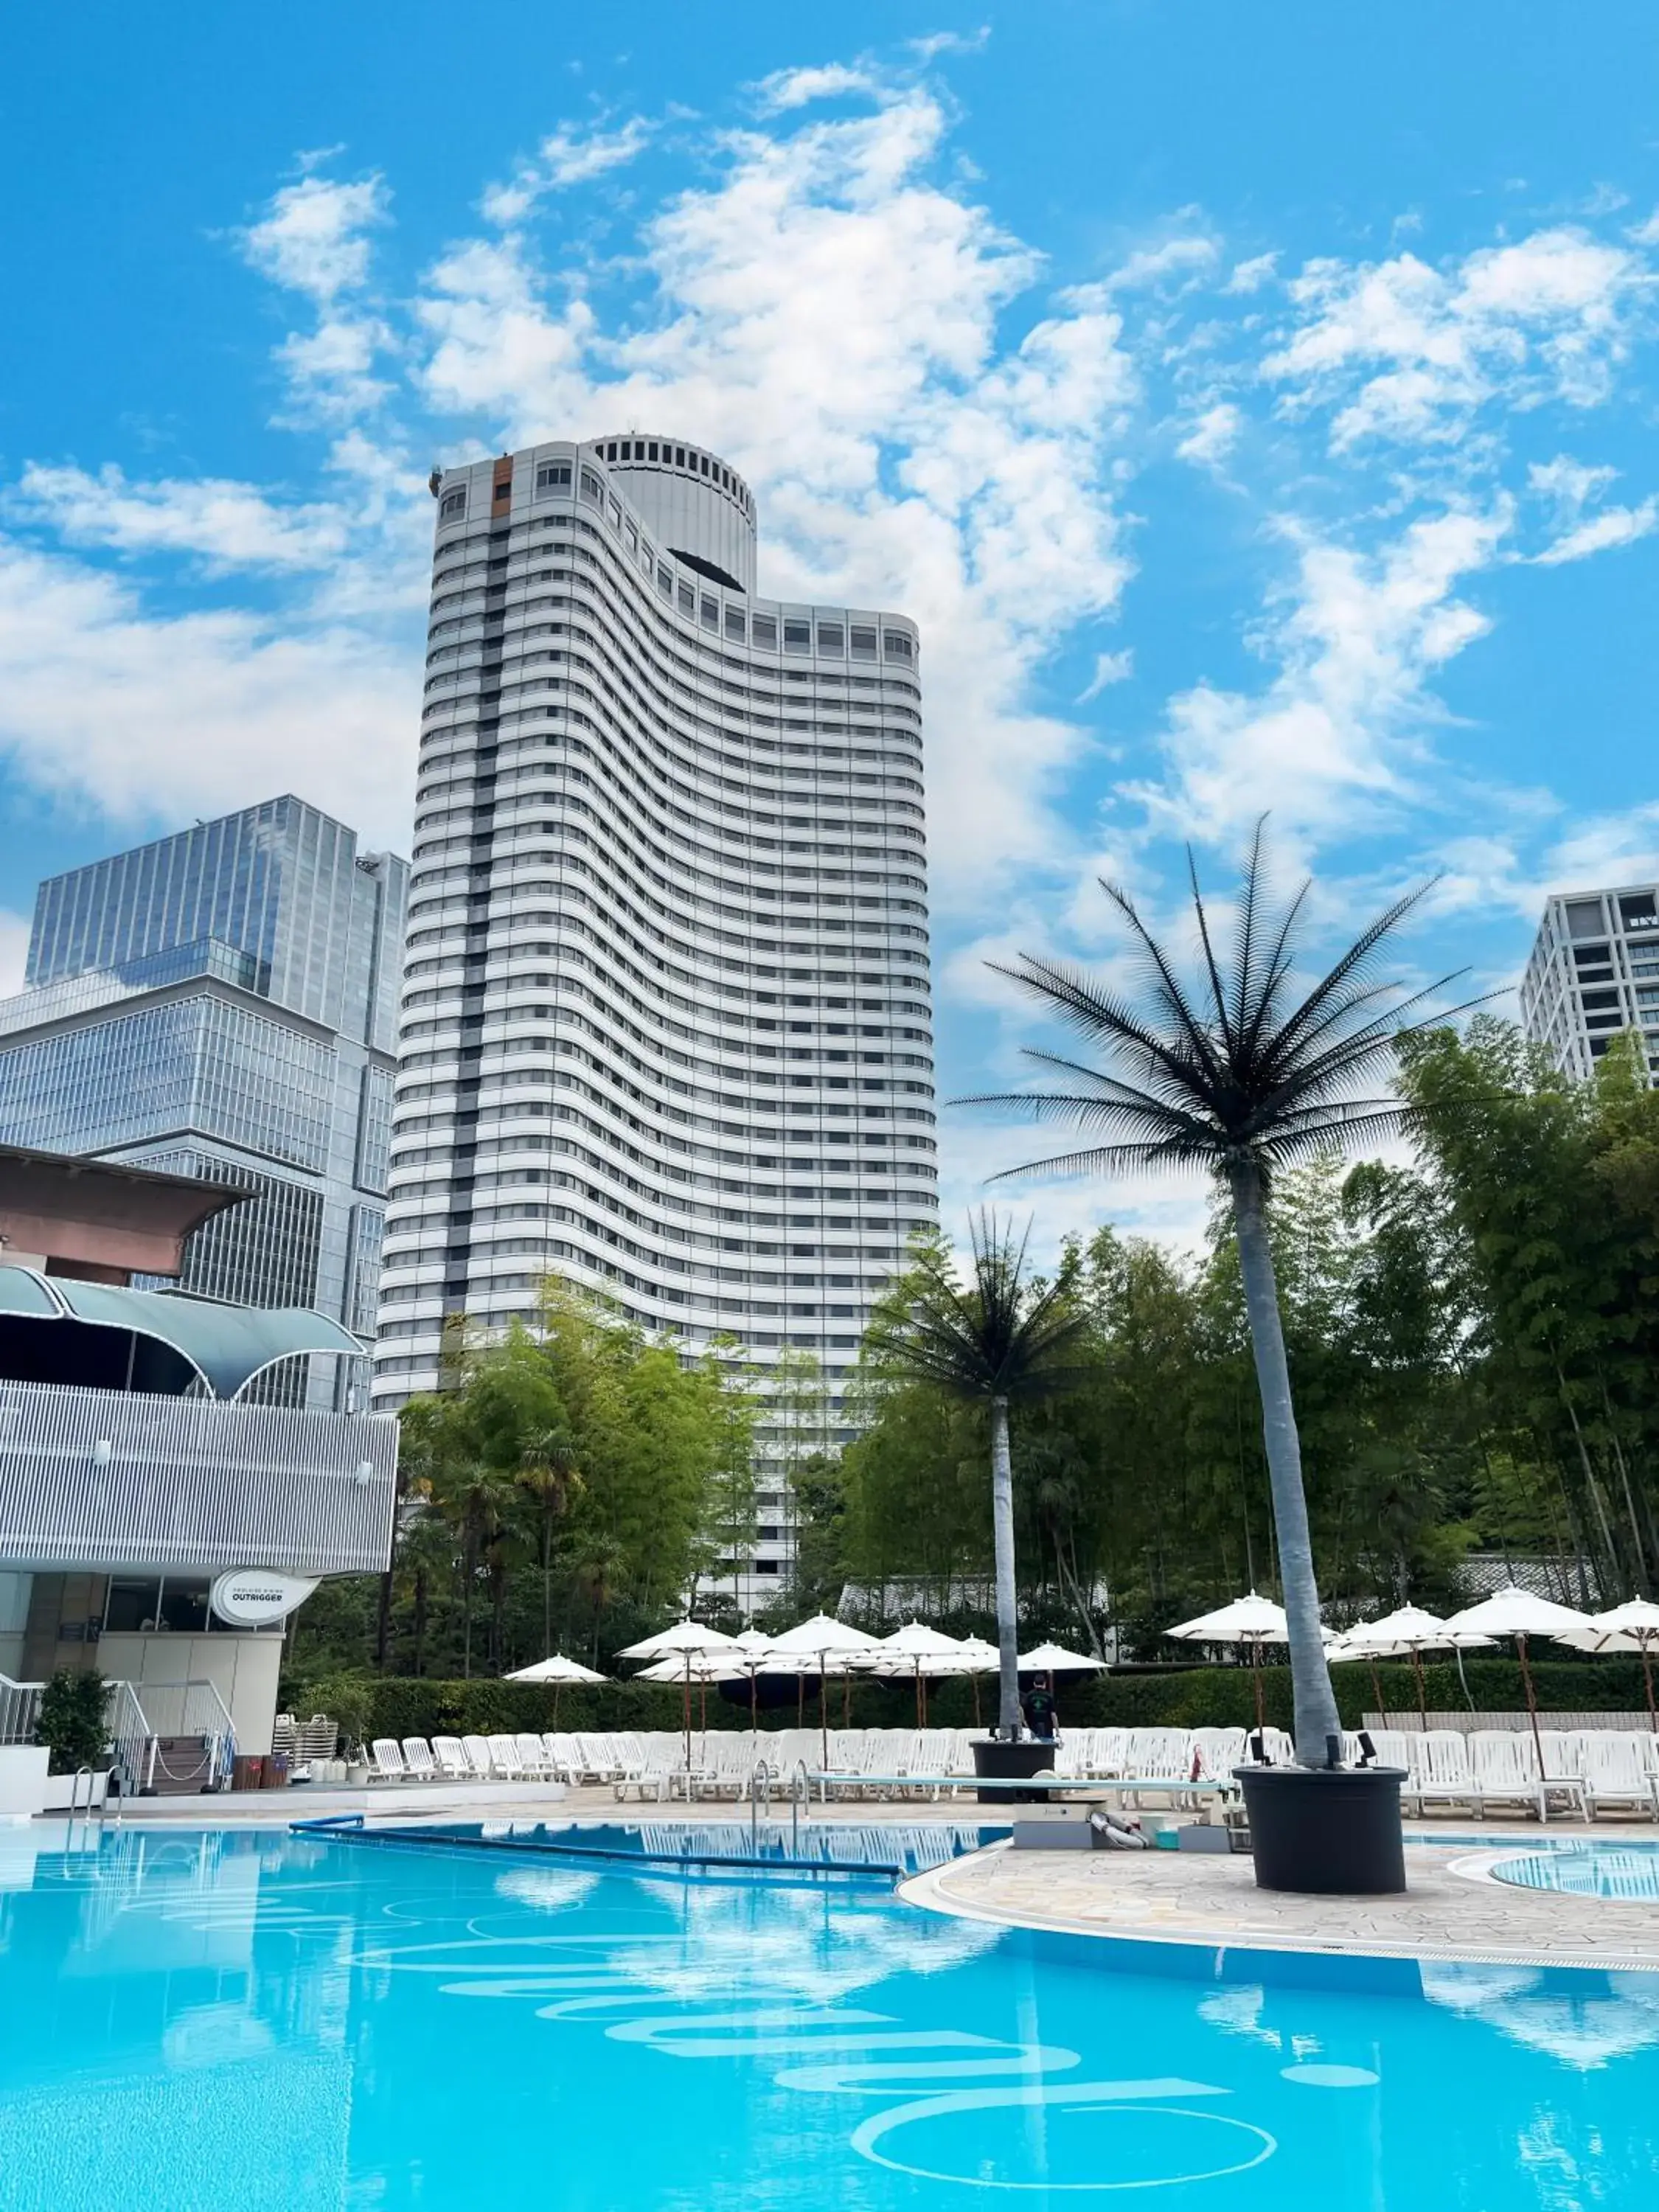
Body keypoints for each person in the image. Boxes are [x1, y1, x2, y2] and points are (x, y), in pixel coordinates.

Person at [1020, 1670, 1057, 1744]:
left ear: (1034, 1683)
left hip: (1033, 1729)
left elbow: (1021, 1708)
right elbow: (1053, 1714)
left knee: (1035, 1751)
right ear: (1044, 1684)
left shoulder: (1029, 1695)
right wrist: (1057, 1730)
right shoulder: (1049, 1696)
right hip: (1047, 1729)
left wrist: (1024, 1721)